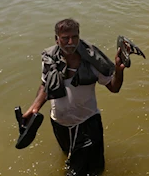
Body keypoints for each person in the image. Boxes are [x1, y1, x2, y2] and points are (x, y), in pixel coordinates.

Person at [21, 18, 128, 176]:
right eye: (65, 38)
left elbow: (114, 87)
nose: (71, 42)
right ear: (57, 39)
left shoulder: (92, 62)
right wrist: (34, 108)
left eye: (74, 37)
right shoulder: (50, 60)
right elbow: (45, 85)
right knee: (69, 157)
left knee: (90, 170)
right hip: (59, 123)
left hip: (87, 123)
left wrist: (119, 70)